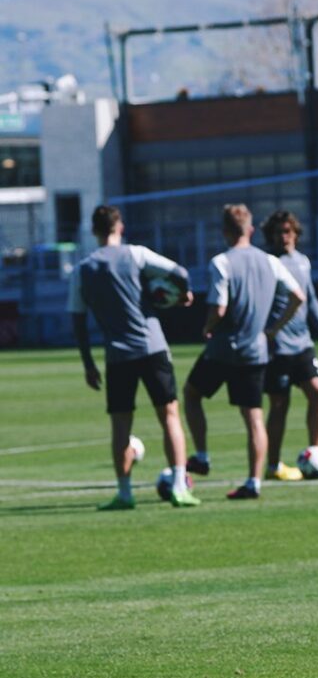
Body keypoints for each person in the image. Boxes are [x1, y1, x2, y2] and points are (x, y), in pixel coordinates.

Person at [68, 204, 200, 510]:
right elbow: (180, 272)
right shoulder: (136, 254)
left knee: (121, 426)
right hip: (152, 348)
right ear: (120, 227)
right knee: (169, 417)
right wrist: (183, 294)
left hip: (117, 355)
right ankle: (180, 487)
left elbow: (77, 320)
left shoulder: (82, 270)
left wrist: (88, 363)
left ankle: (125, 493)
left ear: (94, 231)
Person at [183, 204, 304, 500]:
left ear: (225, 232)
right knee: (253, 417)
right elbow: (298, 297)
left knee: (191, 393)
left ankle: (202, 455)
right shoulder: (271, 262)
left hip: (223, 350)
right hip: (255, 350)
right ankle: (253, 482)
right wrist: (273, 328)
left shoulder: (221, 262)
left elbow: (219, 306)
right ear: (250, 230)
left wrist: (208, 327)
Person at [260, 209, 318, 480]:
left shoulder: (303, 262)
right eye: (278, 233)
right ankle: (273, 466)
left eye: (288, 231)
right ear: (271, 236)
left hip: (303, 343)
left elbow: (312, 300)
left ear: (295, 233)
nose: (284, 237)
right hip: (277, 346)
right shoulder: (268, 263)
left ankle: (317, 456)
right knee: (280, 404)